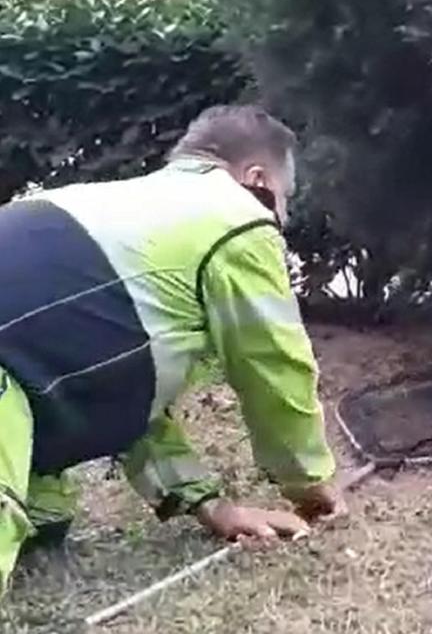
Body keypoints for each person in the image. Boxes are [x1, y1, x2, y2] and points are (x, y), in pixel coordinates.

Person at [0, 105, 344, 589]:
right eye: (283, 200)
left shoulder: (127, 214)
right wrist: (309, 483)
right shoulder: (239, 217)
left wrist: (214, 508)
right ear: (258, 178)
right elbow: (273, 364)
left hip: (22, 369)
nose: (280, 217)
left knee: (43, 515)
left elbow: (122, 393)